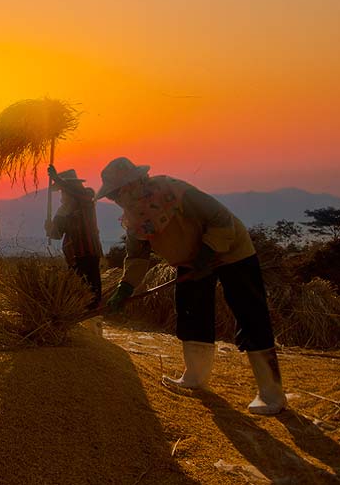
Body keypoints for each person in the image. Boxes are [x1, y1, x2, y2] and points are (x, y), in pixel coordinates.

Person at [100, 157, 285, 415]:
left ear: (133, 184)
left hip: (231, 251)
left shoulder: (174, 192)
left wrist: (207, 254)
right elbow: (138, 256)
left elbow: (220, 218)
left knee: (250, 313)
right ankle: (195, 378)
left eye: (116, 193)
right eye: (112, 196)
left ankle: (270, 392)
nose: (115, 200)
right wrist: (126, 287)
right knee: (190, 312)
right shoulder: (134, 219)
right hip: (190, 262)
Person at [44, 166, 103, 306]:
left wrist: (58, 179)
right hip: (73, 257)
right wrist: (49, 228)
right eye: (62, 191)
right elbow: (57, 234)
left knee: (92, 293)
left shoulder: (86, 198)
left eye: (64, 190)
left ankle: (94, 317)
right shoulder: (63, 210)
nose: (63, 194)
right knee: (78, 292)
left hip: (89, 253)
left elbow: (80, 193)